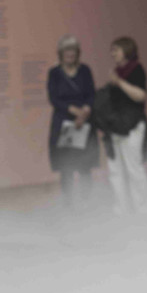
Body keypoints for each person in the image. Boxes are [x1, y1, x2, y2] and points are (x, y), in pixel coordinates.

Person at [94, 36, 147, 216]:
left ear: (126, 50)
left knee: (134, 168)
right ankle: (122, 208)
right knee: (115, 169)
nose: (112, 53)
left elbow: (141, 96)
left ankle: (143, 209)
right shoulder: (117, 71)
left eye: (116, 50)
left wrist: (119, 82)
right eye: (112, 50)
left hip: (132, 126)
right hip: (115, 126)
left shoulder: (137, 70)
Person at [46, 35, 98, 207]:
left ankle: (86, 201)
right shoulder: (54, 73)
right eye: (67, 50)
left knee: (85, 166)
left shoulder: (85, 70)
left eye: (73, 50)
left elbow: (91, 93)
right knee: (66, 167)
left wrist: (86, 110)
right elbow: (54, 98)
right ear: (61, 53)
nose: (70, 53)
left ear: (78, 52)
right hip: (64, 124)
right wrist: (73, 110)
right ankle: (68, 204)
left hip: (84, 123)